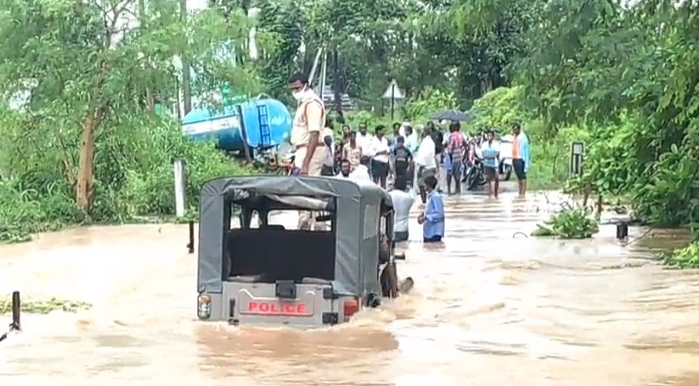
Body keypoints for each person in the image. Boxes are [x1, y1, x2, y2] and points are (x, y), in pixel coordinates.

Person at [289, 72, 325, 230]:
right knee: (304, 190)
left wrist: (305, 163)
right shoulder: (303, 103)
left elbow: (314, 133)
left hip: (311, 150)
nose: (295, 92)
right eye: (293, 89)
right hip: (302, 150)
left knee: (309, 190)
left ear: (306, 85)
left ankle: (315, 227)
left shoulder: (312, 103)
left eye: (297, 88)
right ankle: (306, 223)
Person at [417, 175, 444, 243]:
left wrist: (426, 217)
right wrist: (423, 214)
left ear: (428, 185)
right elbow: (431, 210)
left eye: (425, 184)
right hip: (429, 231)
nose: (424, 186)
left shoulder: (436, 197)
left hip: (435, 232)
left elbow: (440, 214)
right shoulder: (430, 196)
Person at [415, 129, 437, 204]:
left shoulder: (426, 142)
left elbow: (424, 156)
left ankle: (424, 203)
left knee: (422, 185)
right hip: (430, 166)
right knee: (429, 186)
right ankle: (428, 203)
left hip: (425, 167)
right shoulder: (430, 142)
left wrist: (421, 167)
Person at [389, 176, 415, 242]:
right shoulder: (408, 198)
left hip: (390, 229)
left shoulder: (389, 195)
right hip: (403, 229)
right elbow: (413, 196)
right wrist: (410, 188)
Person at [445, 121, 466, 195]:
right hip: (459, 157)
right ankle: (458, 189)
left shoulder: (451, 136)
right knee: (457, 174)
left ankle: (448, 190)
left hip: (451, 157)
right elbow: (466, 145)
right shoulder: (461, 136)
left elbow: (450, 149)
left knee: (449, 173)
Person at [480, 129, 501, 198]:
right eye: (488, 136)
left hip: (495, 164)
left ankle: (496, 193)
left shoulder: (496, 144)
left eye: (490, 136)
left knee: (497, 178)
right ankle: (489, 194)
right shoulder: (484, 144)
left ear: (493, 137)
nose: (489, 137)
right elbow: (483, 154)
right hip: (487, 164)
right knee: (488, 179)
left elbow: (497, 153)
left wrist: (490, 156)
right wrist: (490, 156)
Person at [512, 123, 530, 197]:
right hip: (515, 158)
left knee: (522, 176)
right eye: (514, 129)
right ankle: (520, 192)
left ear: (519, 129)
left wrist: (526, 162)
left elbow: (526, 151)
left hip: (521, 159)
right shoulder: (515, 137)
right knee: (518, 176)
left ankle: (523, 193)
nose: (515, 131)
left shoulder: (523, 137)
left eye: (516, 129)